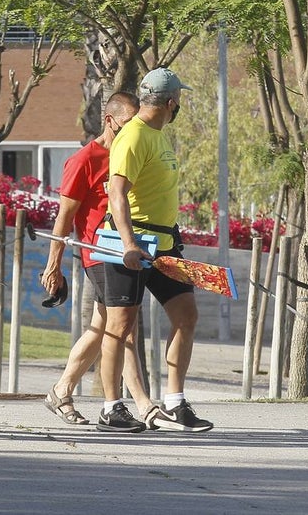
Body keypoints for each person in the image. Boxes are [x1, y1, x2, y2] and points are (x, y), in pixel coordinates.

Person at [40, 92, 169, 432]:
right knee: (121, 327)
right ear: (110, 121)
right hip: (100, 252)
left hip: (129, 252)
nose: (133, 130)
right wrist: (54, 264)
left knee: (102, 329)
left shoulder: (133, 151)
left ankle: (62, 390)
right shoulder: (85, 159)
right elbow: (64, 216)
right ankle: (142, 403)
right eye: (127, 124)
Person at [100, 67, 213, 433]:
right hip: (130, 244)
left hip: (164, 244)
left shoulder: (158, 135)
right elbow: (116, 192)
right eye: (179, 100)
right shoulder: (133, 136)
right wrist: (129, 243)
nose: (178, 106)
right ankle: (111, 407)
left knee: (186, 314)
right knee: (120, 325)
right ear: (170, 102)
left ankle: (175, 402)